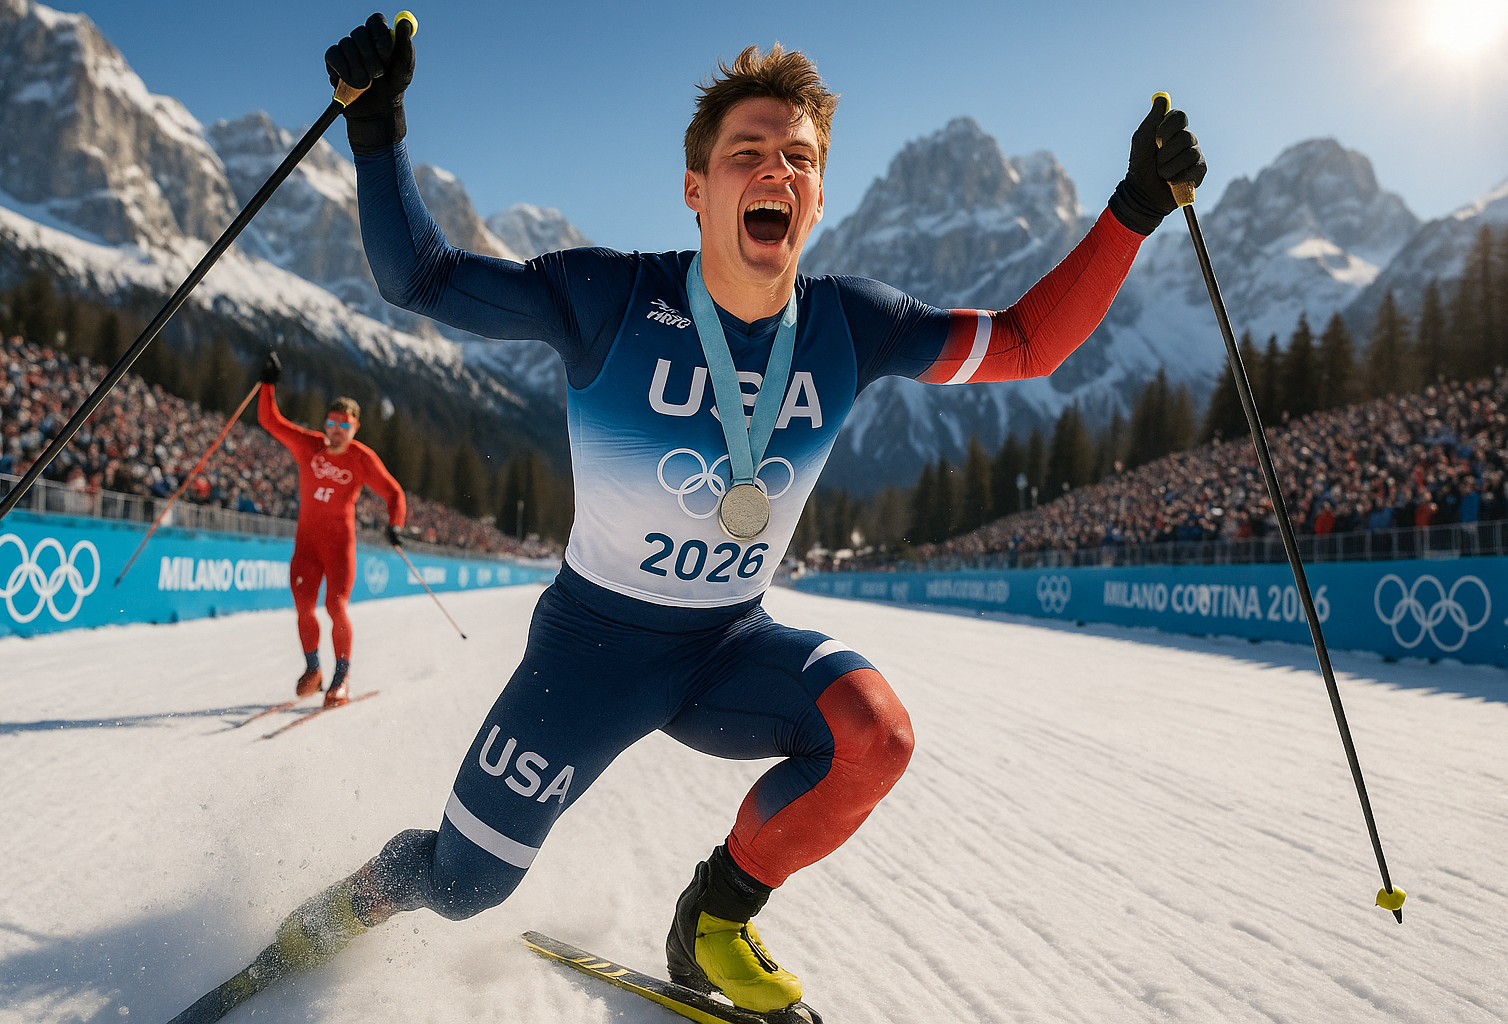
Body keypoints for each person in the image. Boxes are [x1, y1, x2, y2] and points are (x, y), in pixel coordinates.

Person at [169, 13, 1206, 1020]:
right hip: (590, 650)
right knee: (462, 881)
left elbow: (1027, 342)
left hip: (727, 642)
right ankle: (331, 917)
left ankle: (716, 914)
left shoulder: (853, 323)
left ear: (818, 195)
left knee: (875, 736)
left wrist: (1132, 208)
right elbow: (423, 278)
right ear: (695, 189)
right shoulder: (607, 299)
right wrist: (379, 125)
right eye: (746, 151)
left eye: (797, 157)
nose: (774, 171)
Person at [256, 353, 406, 707]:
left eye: (344, 426)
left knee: (336, 606)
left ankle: (341, 678)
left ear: (355, 429)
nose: (336, 432)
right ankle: (314, 670)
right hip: (306, 545)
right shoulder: (308, 445)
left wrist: (395, 525)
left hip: (340, 546)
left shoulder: (360, 457)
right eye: (332, 424)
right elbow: (269, 420)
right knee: (303, 606)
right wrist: (267, 383)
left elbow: (393, 493)